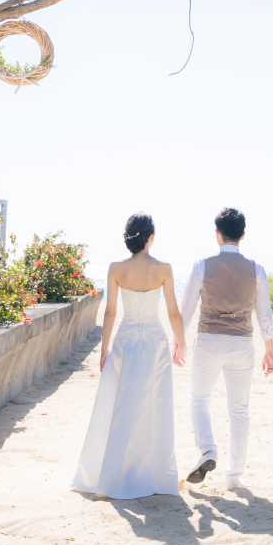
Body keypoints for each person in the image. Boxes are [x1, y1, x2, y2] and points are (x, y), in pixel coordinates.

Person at [71, 212, 187, 498]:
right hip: (155, 343)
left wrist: (104, 347)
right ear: (150, 237)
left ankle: (111, 476)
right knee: (154, 407)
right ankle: (154, 476)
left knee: (120, 407)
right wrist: (181, 342)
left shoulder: (115, 268)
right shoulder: (164, 268)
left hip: (124, 342)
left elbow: (110, 312)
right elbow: (173, 312)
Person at [178, 206, 273, 491]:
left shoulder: (201, 265)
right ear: (242, 235)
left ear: (217, 234)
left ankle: (208, 450)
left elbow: (185, 310)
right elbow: (264, 315)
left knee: (199, 400)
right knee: (240, 410)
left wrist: (180, 342)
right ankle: (233, 477)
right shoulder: (257, 269)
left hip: (208, 340)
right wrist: (269, 350)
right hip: (242, 343)